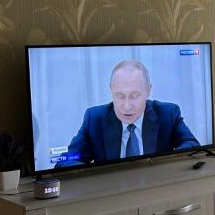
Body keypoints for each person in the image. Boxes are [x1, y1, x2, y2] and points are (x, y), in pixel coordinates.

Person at [57, 60, 200, 167]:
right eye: (119, 96)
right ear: (111, 90)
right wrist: (98, 176)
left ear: (148, 90)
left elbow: (192, 145)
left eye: (134, 96)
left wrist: (163, 166)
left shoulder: (168, 114)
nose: (126, 106)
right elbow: (66, 160)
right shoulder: (95, 119)